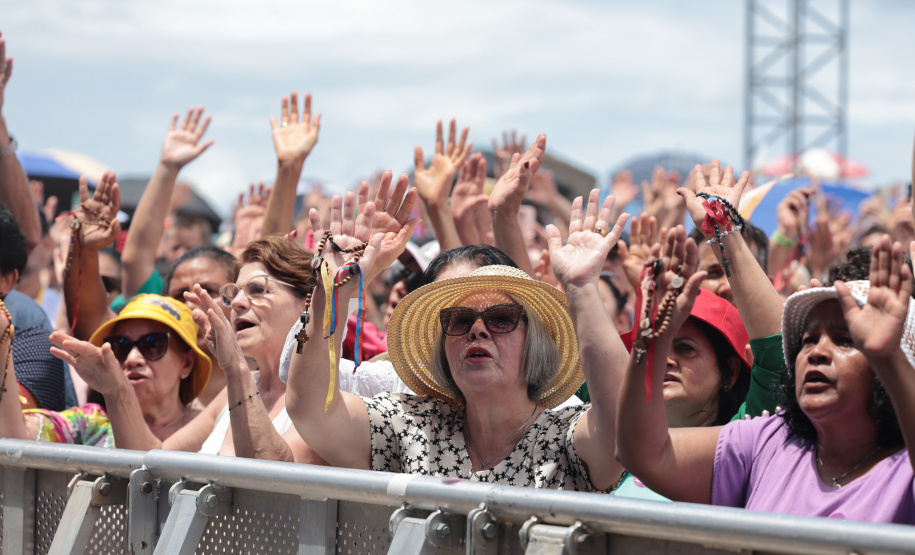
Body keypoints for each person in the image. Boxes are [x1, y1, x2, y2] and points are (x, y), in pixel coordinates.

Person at [286, 188, 629, 491]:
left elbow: (624, 428)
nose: (477, 330)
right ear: (442, 346)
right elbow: (311, 409)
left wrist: (582, 287)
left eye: (500, 318)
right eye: (459, 321)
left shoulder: (565, 437)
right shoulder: (410, 426)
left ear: (533, 339)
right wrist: (331, 294)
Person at [617, 193, 915, 522]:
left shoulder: (905, 469)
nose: (817, 352)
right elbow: (644, 453)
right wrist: (651, 343)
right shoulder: (768, 441)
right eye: (808, 340)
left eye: (846, 340)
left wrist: (889, 359)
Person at [8, 294, 211, 447]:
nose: (132, 359)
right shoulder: (91, 424)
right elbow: (16, 436)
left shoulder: (214, 430)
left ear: (187, 363)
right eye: (121, 346)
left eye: (153, 344)